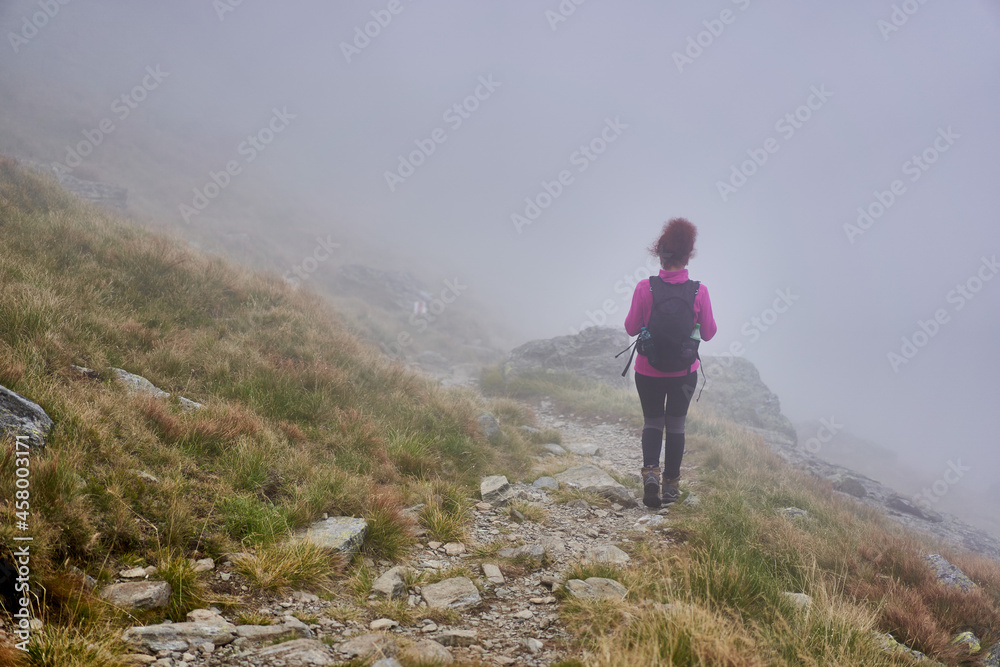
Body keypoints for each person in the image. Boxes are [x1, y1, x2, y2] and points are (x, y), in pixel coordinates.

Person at [624, 218, 717, 507]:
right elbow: (710, 332)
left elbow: (630, 328)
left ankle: (650, 472)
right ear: (688, 255)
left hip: (647, 370)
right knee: (676, 426)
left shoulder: (644, 287)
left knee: (652, 422)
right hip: (683, 372)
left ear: (659, 254)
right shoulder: (699, 291)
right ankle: (671, 487)